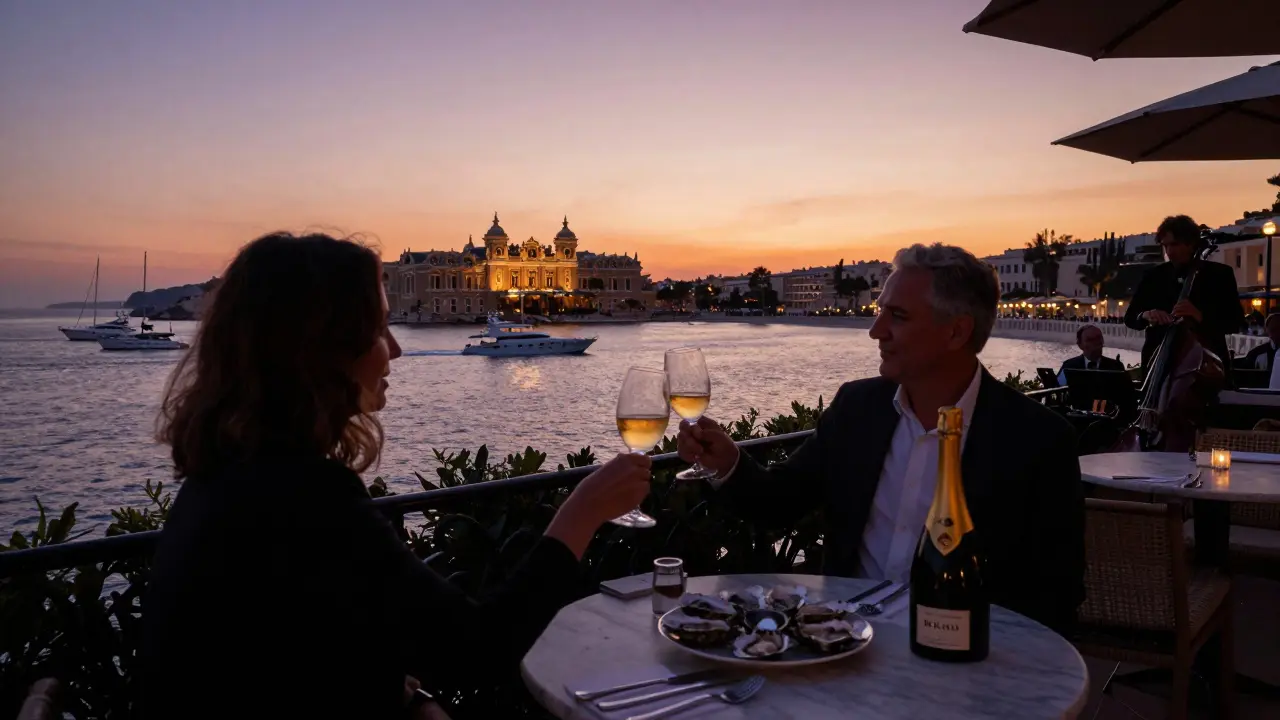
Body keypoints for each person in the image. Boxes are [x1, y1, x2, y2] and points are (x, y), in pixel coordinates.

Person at [137, 233, 653, 720]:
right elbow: (477, 649)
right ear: (325, 349)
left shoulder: (229, 477)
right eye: (379, 329)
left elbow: (298, 648)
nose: (397, 349)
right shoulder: (306, 494)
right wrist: (580, 514)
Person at [677, 243, 1085, 635]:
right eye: (878, 312)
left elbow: (1054, 597)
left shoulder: (1038, 440)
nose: (876, 331)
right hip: (844, 643)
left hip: (966, 660)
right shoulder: (858, 408)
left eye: (898, 316)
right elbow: (780, 501)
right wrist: (727, 463)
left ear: (956, 332)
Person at [1123, 215, 1243, 377]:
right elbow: (1130, 318)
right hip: (1158, 362)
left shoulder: (1220, 275)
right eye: (1165, 246)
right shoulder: (1153, 276)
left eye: (1175, 244)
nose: (1169, 252)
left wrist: (1200, 316)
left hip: (1207, 367)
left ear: (1191, 244)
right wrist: (1146, 315)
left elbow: (1235, 323)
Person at [1056, 323, 1126, 386]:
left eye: (1098, 338)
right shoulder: (1069, 366)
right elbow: (1056, 388)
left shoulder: (1116, 367)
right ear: (1080, 345)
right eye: (1090, 340)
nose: (1096, 342)